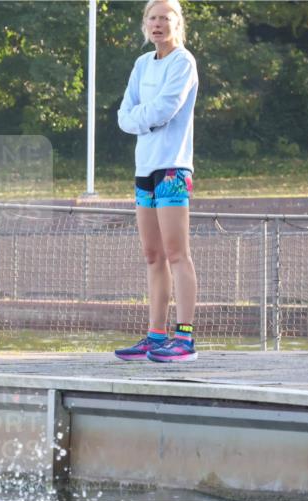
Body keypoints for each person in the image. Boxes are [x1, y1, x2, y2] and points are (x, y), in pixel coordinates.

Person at [115, 0, 199, 362]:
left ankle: (185, 338)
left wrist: (140, 119)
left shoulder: (184, 61)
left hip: (173, 168)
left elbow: (167, 108)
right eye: (152, 18)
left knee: (177, 253)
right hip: (144, 168)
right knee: (152, 255)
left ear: (177, 23)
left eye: (165, 18)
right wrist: (141, 119)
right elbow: (123, 115)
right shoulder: (141, 64)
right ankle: (155, 335)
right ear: (144, 24)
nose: (158, 24)